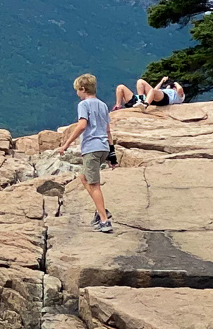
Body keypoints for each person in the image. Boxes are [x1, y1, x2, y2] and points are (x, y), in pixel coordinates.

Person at [56, 72, 115, 234]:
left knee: (94, 185)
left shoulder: (84, 105)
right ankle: (101, 208)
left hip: (92, 148)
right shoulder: (103, 105)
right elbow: (108, 130)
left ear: (83, 89)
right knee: (83, 177)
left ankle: (104, 220)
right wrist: (112, 154)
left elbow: (82, 125)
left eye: (77, 90)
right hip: (103, 147)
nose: (77, 93)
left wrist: (66, 144)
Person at [114, 77, 187, 111]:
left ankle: (145, 105)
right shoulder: (166, 89)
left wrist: (175, 83)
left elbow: (180, 89)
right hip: (152, 97)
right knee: (139, 81)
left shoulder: (179, 96)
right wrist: (161, 81)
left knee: (152, 91)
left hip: (166, 99)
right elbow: (155, 90)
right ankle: (118, 106)